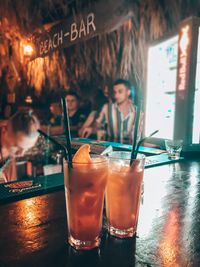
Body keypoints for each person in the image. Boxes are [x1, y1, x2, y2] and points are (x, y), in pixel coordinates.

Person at [81, 79, 141, 144]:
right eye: (115, 92)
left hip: (129, 151)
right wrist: (92, 129)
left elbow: (139, 135)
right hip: (111, 150)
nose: (116, 95)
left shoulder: (137, 111)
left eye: (120, 92)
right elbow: (97, 125)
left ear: (128, 92)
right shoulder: (107, 108)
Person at [0, 111, 40, 183]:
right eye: (16, 146)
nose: (21, 154)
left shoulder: (10, 151)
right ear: (4, 131)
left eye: (26, 149)